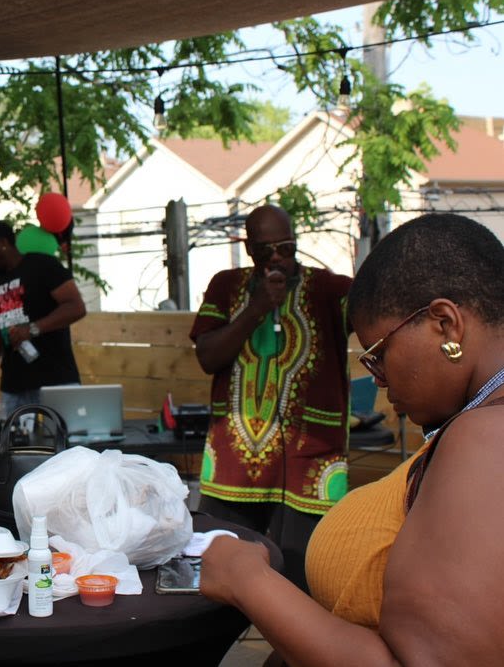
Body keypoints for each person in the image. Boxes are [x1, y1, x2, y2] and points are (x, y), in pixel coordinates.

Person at [201, 212, 504, 665]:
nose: (377, 378)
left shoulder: (486, 438)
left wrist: (246, 580)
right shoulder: (479, 423)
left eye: (378, 354)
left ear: (445, 324)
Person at [189, 204, 351, 591]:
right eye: (266, 251)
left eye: (286, 248)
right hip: (234, 462)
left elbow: (377, 313)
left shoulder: (329, 289)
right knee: (220, 571)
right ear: (249, 249)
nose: (277, 258)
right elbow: (208, 357)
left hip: (309, 460)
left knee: (306, 577)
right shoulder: (225, 286)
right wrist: (257, 309)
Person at [0, 220, 86, 421]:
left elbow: (76, 307)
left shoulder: (42, 265)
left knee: (66, 438)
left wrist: (33, 328)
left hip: (56, 380)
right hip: (14, 388)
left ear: (3, 243)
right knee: (16, 441)